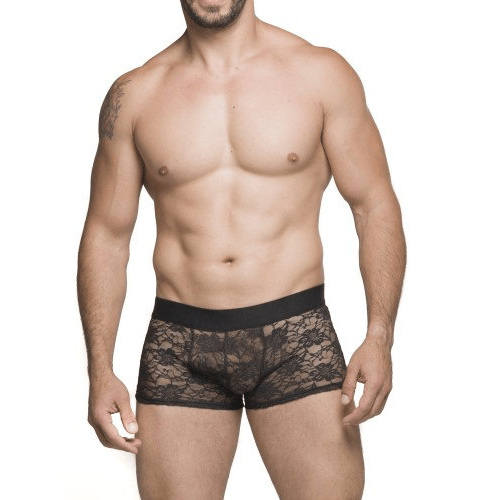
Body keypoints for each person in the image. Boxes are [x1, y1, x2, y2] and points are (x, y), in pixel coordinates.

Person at [77, 0, 406, 498]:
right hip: (180, 344)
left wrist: (380, 335)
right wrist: (99, 369)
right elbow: (107, 234)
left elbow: (373, 205)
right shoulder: (136, 93)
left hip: (295, 336)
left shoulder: (320, 74)